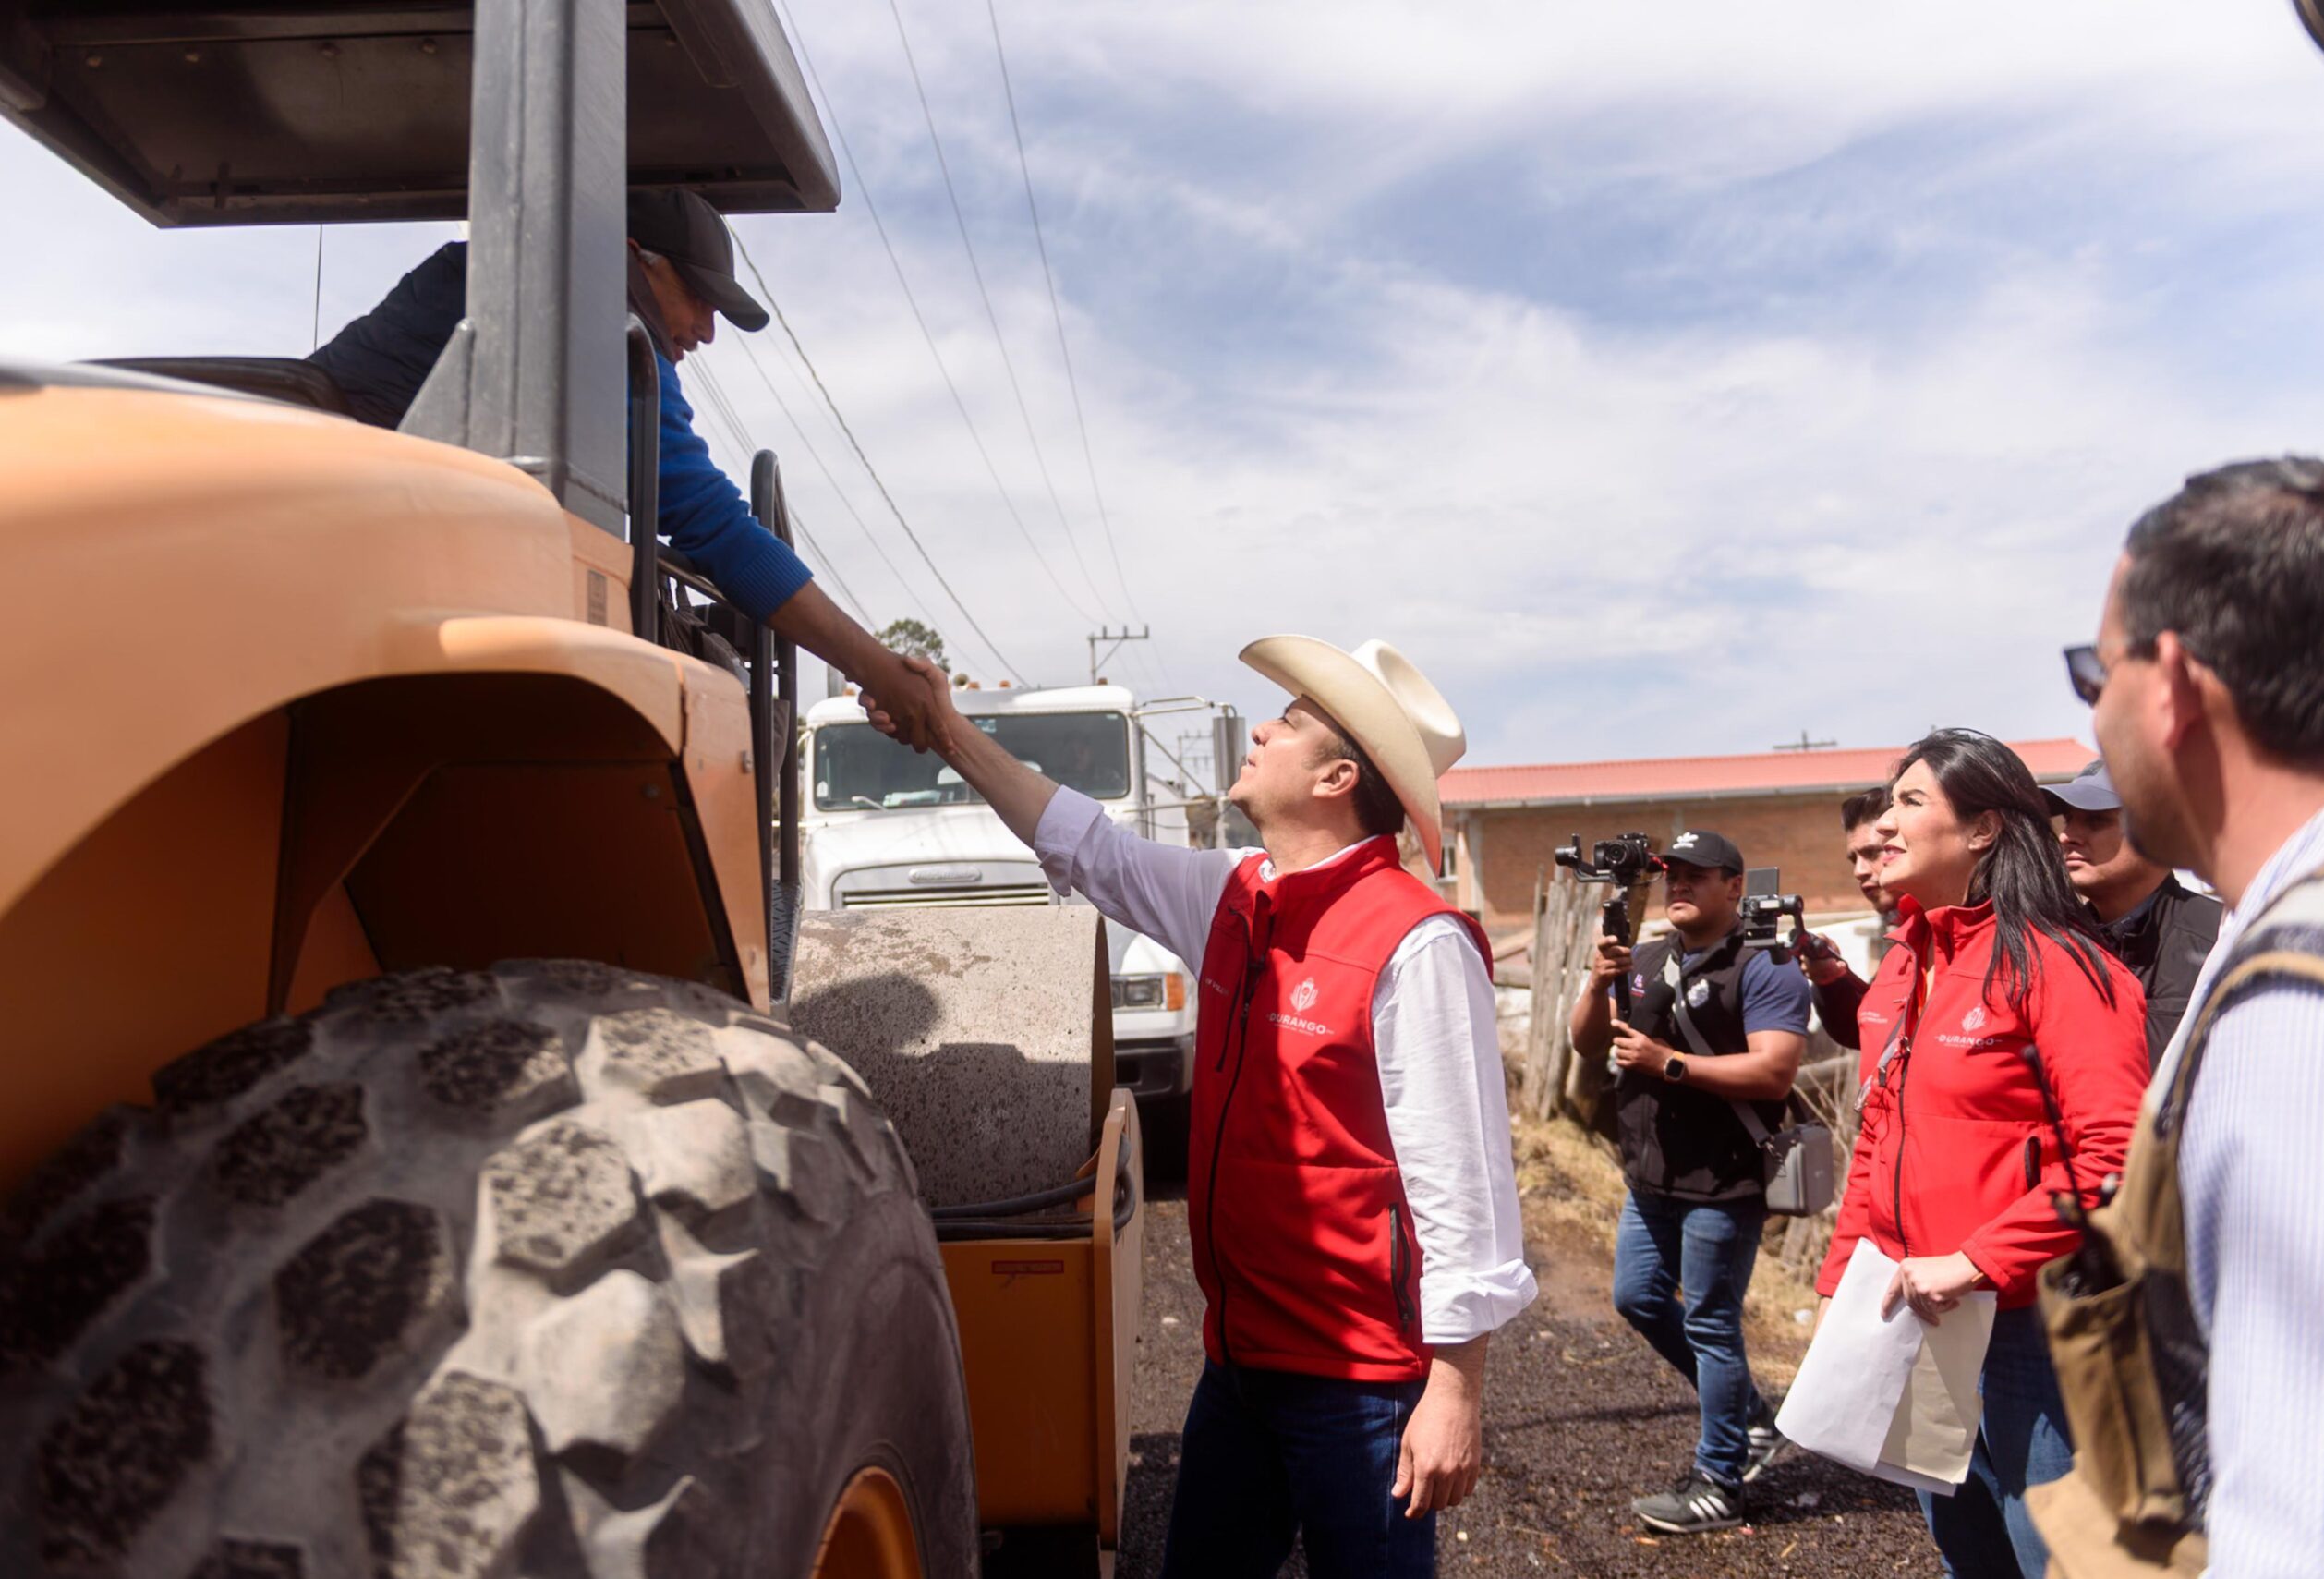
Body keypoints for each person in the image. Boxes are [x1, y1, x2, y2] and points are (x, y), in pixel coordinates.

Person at [864, 637, 1534, 1578]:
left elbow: (1461, 1179)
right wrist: (949, 730)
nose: (1259, 726)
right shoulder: (1236, 892)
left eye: (1289, 722)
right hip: (1241, 1363)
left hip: (1361, 1386)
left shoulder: (1415, 941)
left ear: (1337, 774)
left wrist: (1455, 1389)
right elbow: (1087, 846)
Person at [2037, 457, 2324, 1576]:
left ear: (2169, 682)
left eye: (2094, 671)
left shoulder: (2307, 1000)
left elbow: (2311, 1517)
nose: (2092, 705)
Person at [308, 188, 941, 749]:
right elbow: (710, 522)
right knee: (732, 698)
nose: (707, 330)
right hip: (387, 577)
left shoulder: (484, 275)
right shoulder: (596, 313)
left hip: (364, 557)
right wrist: (875, 666)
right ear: (636, 257)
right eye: (699, 296)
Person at [1815, 729, 2149, 1578]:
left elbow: (2114, 1157)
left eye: (1910, 802)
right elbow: (1876, 1142)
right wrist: (1837, 1285)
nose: (1884, 825)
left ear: (1984, 830)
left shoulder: (2062, 965)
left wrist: (1976, 1260)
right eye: (1889, 803)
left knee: (2063, 1562)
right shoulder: (1900, 970)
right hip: (1919, 1316)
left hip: (2036, 1329)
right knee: (1968, 1554)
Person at [1567, 828, 1811, 1533]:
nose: (1678, 886)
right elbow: (1587, 1040)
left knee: (1709, 1321)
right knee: (1638, 1297)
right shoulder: (1644, 959)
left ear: (1733, 886)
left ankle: (1719, 1479)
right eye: (1672, 875)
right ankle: (1751, 1418)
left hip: (1724, 1182)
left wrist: (1669, 1062)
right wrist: (1596, 979)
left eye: (1696, 876)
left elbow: (1774, 1070)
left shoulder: (1765, 967)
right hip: (1649, 1179)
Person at [2043, 759, 2222, 1067]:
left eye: (2096, 821)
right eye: (2068, 819)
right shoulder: (2049, 947)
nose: (2067, 835)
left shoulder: (2223, 936)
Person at [1799, 785, 1897, 1051]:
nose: (1859, 871)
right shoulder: (1903, 939)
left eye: (1873, 853)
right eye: (1853, 859)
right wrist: (1832, 980)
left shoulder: (1953, 934)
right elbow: (1870, 1032)